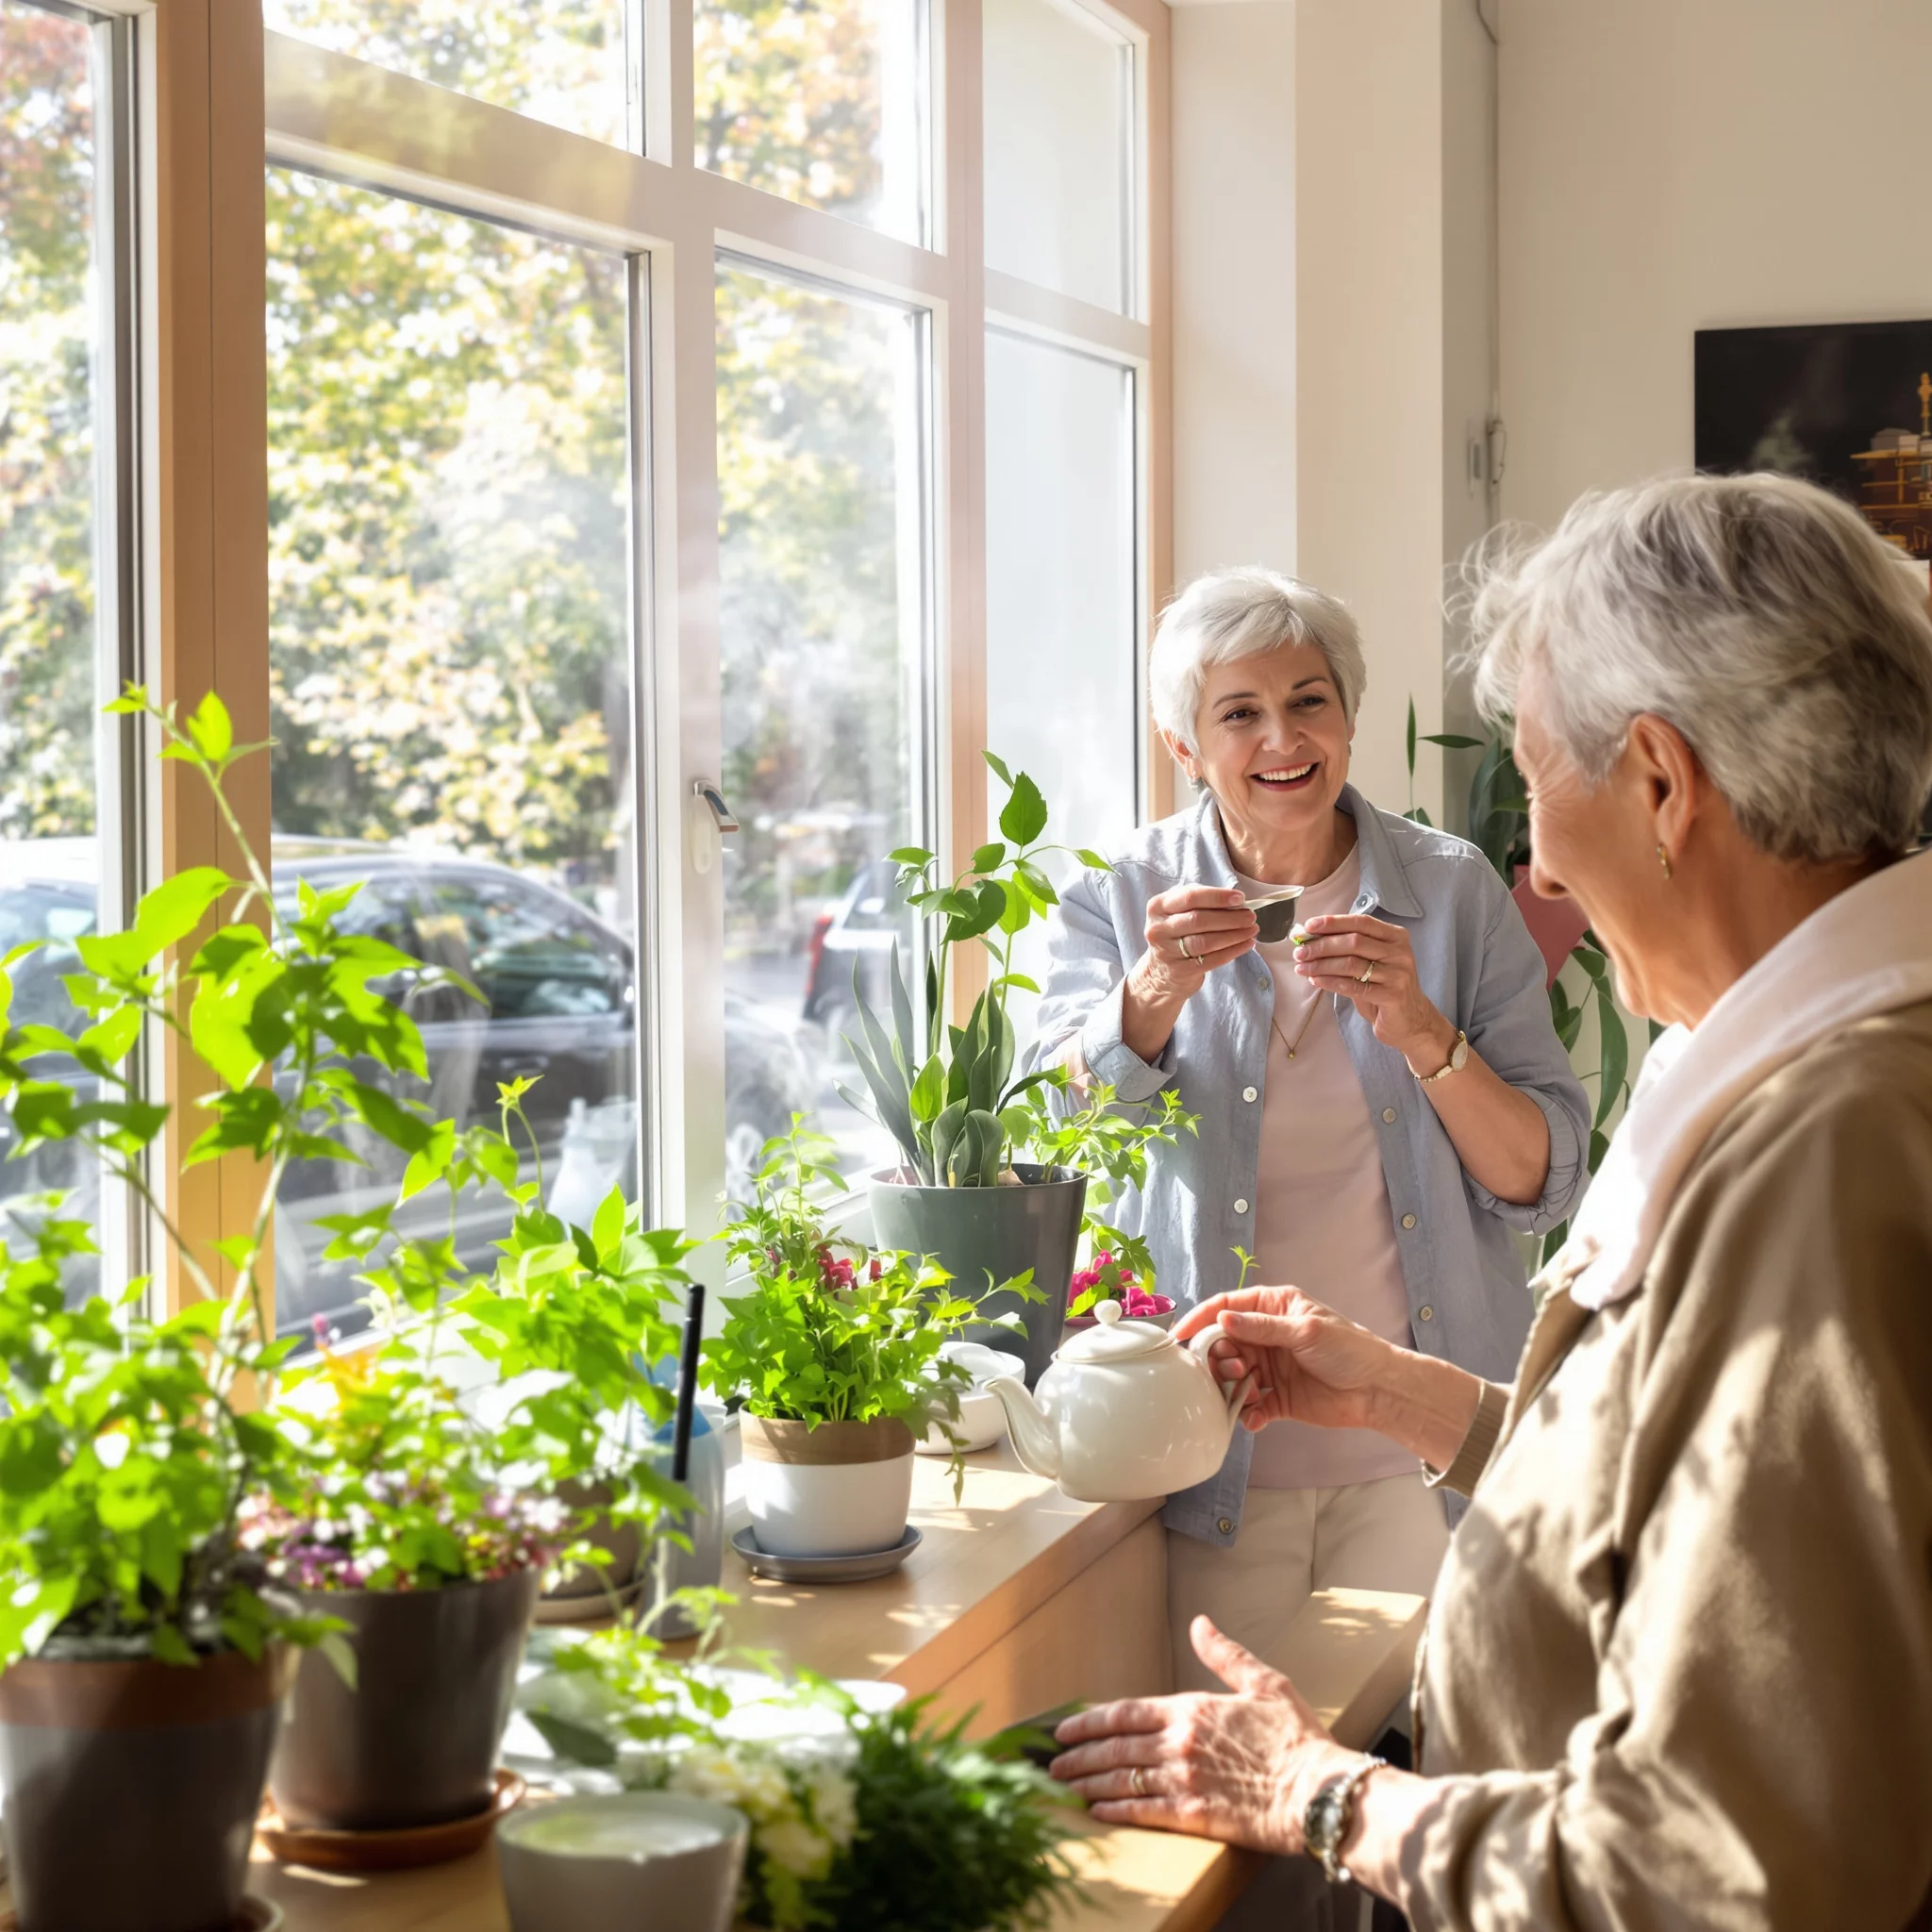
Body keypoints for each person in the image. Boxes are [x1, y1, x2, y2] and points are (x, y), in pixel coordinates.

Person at [1047, 473, 1932, 1929]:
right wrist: (1409, 1395)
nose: (1541, 864)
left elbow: (1721, 1867)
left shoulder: (1826, 1149)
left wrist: (1317, 1795)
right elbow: (1687, 1486)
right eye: (1237, 714)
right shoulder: (1805, 1077)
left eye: (1535, 776)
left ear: (1662, 785)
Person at [1027, 567, 1589, 1690]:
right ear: (1183, 744)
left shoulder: (1452, 892)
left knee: (1422, 1747)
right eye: (1238, 712)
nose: (1282, 738)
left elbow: (1542, 1179)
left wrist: (1419, 1027)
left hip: (1416, 1449)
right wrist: (1151, 992)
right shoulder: (1119, 895)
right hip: (1200, 1452)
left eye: (1308, 700)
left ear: (1347, 714)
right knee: (1236, 1764)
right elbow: (1055, 1132)